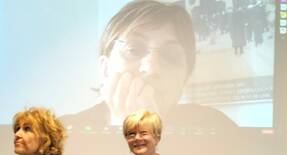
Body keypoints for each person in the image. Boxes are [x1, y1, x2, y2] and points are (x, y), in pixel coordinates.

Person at [61, 0, 236, 131]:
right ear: (105, 69)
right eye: (134, 49)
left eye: (170, 55)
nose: (152, 68)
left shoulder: (217, 129)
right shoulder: (60, 137)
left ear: (185, 78)